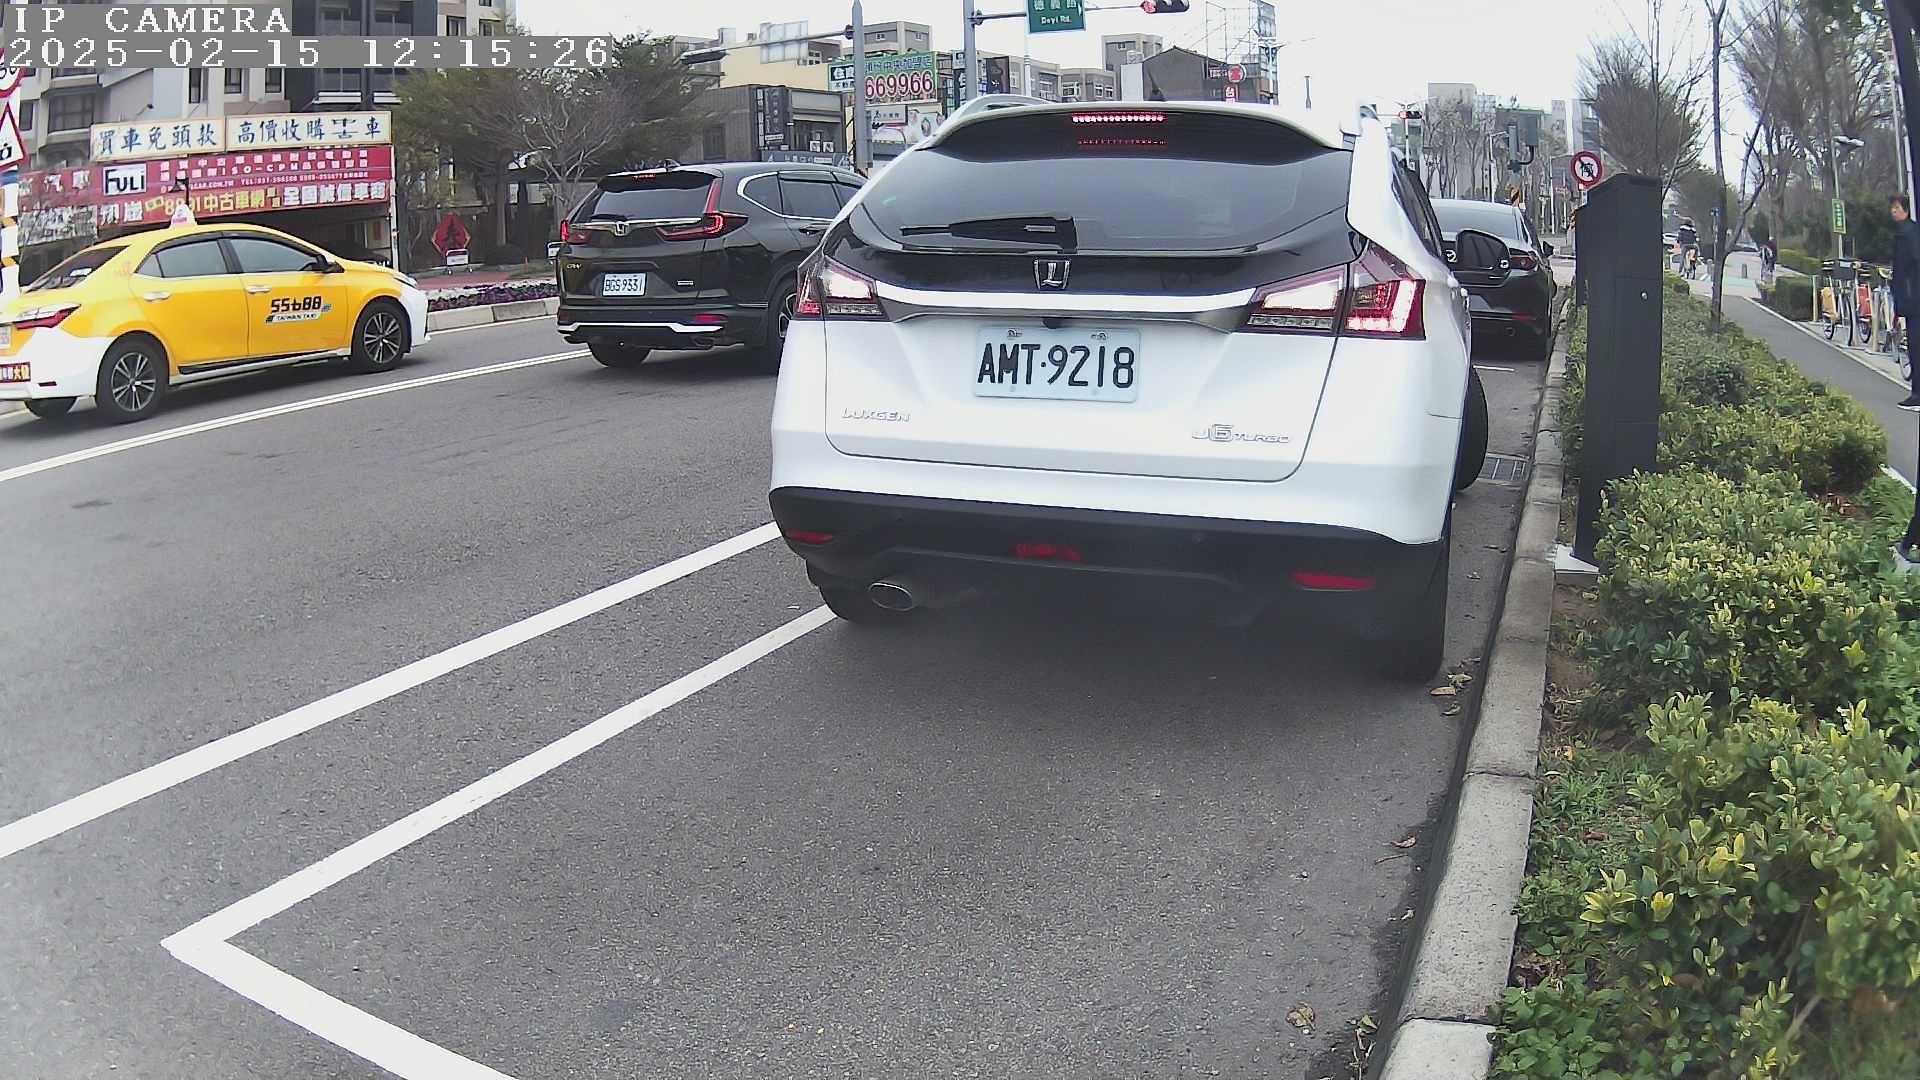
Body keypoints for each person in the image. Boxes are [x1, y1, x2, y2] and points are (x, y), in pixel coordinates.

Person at [1889, 194, 1920, 410]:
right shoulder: (1906, 232)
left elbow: (1910, 265)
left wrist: (1904, 291)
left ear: (1906, 210)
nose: (1893, 211)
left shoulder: (1908, 234)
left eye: (1897, 207)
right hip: (1910, 296)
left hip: (1913, 297)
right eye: (1892, 208)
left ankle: (1917, 393)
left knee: (1916, 345)